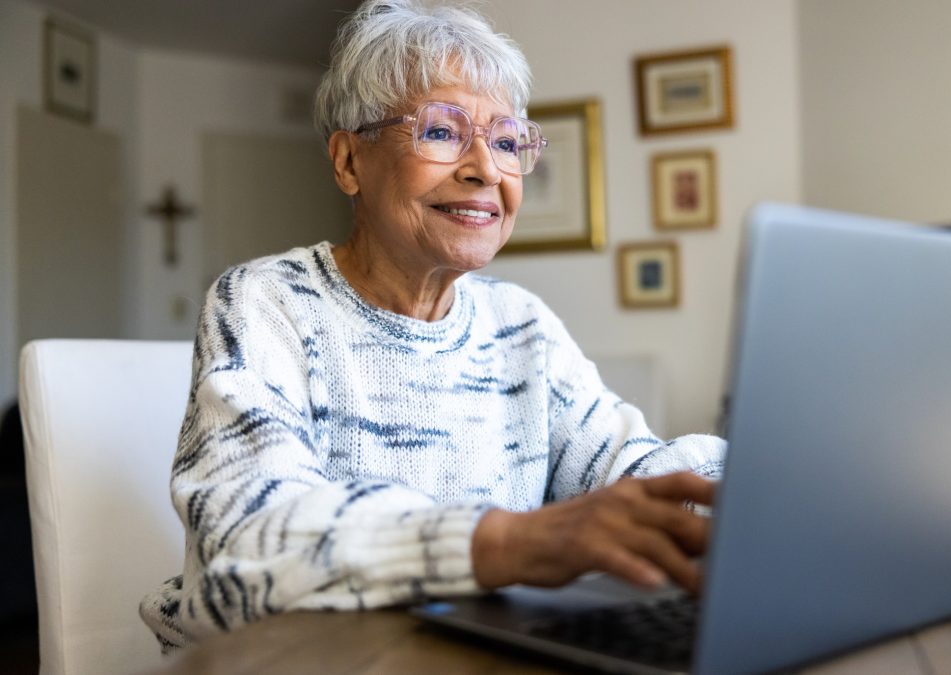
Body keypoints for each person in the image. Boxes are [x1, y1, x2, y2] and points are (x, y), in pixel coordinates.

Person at [140, 0, 725, 651]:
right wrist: (509, 541)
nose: (484, 168)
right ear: (348, 161)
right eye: (442, 132)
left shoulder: (520, 325)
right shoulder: (267, 302)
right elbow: (247, 539)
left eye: (507, 141)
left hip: (464, 654)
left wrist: (753, 484)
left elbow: (636, 475)